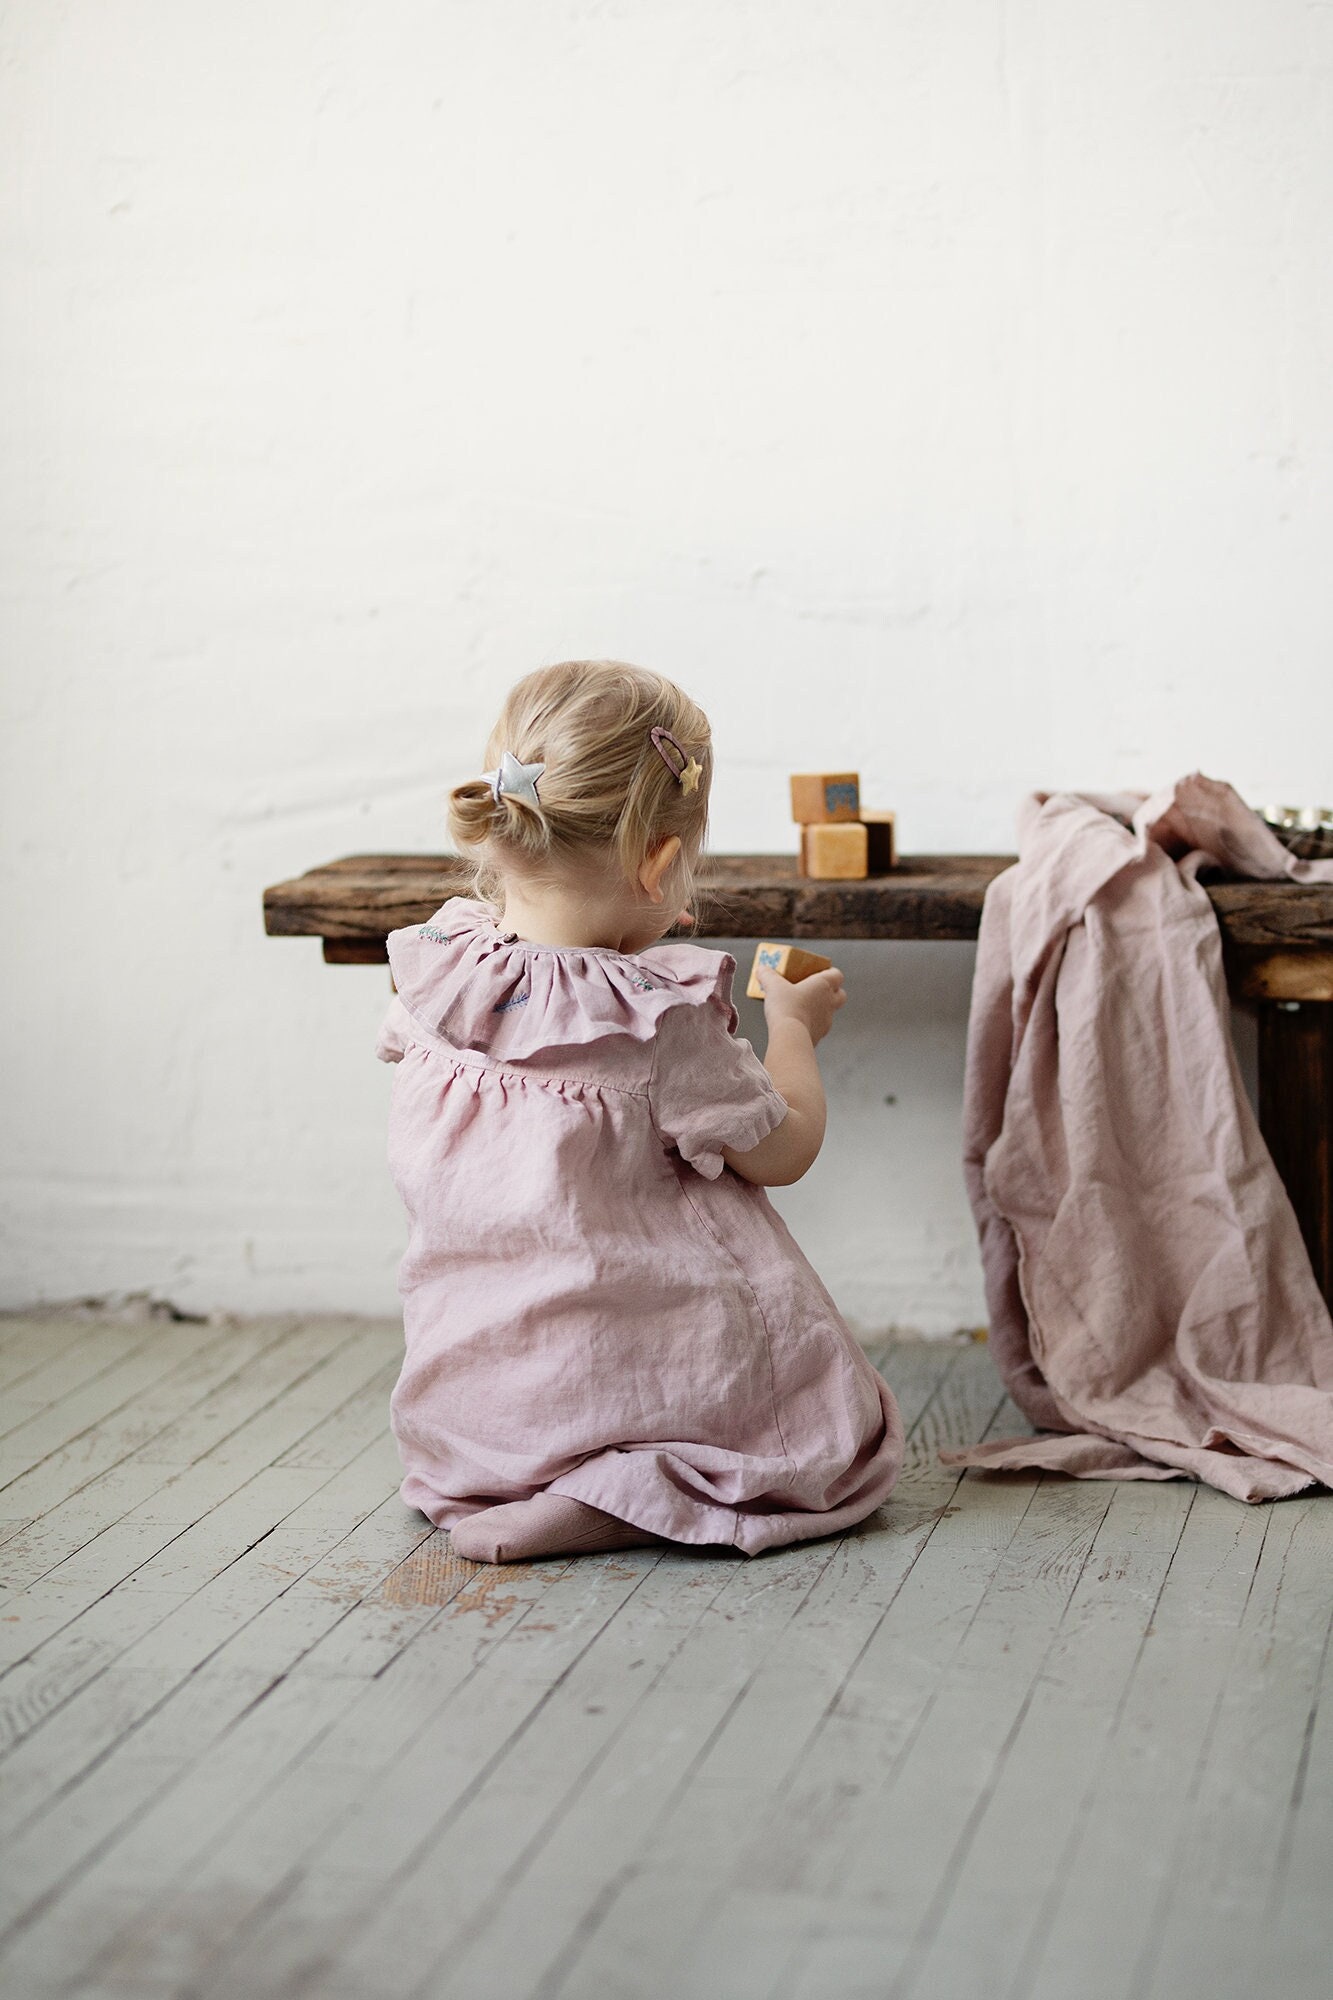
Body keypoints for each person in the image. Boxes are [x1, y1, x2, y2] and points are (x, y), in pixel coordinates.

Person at [375, 659, 903, 1562]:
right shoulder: (654, 1022)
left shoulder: (443, 966)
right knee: (838, 1433)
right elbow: (782, 1152)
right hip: (619, 1382)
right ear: (658, 865)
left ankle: (520, 1477)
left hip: (470, 1414)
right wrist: (794, 1031)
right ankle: (615, 1492)